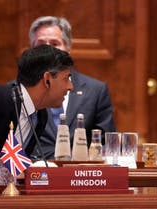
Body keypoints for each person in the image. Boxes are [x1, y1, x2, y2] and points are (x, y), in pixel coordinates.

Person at [28, 16, 116, 159]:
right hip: (35, 173)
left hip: (81, 174)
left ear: (68, 48)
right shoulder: (19, 91)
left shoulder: (96, 91)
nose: (48, 50)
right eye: (41, 44)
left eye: (55, 43)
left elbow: (106, 143)